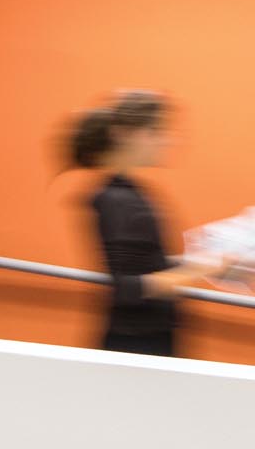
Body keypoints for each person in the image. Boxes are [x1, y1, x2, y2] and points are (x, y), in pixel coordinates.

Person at [72, 90, 229, 358]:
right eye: (156, 131)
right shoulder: (115, 199)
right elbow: (127, 287)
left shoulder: (131, 192)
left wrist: (195, 264)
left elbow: (146, 263)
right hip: (135, 347)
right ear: (124, 135)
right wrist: (196, 271)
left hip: (149, 341)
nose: (168, 140)